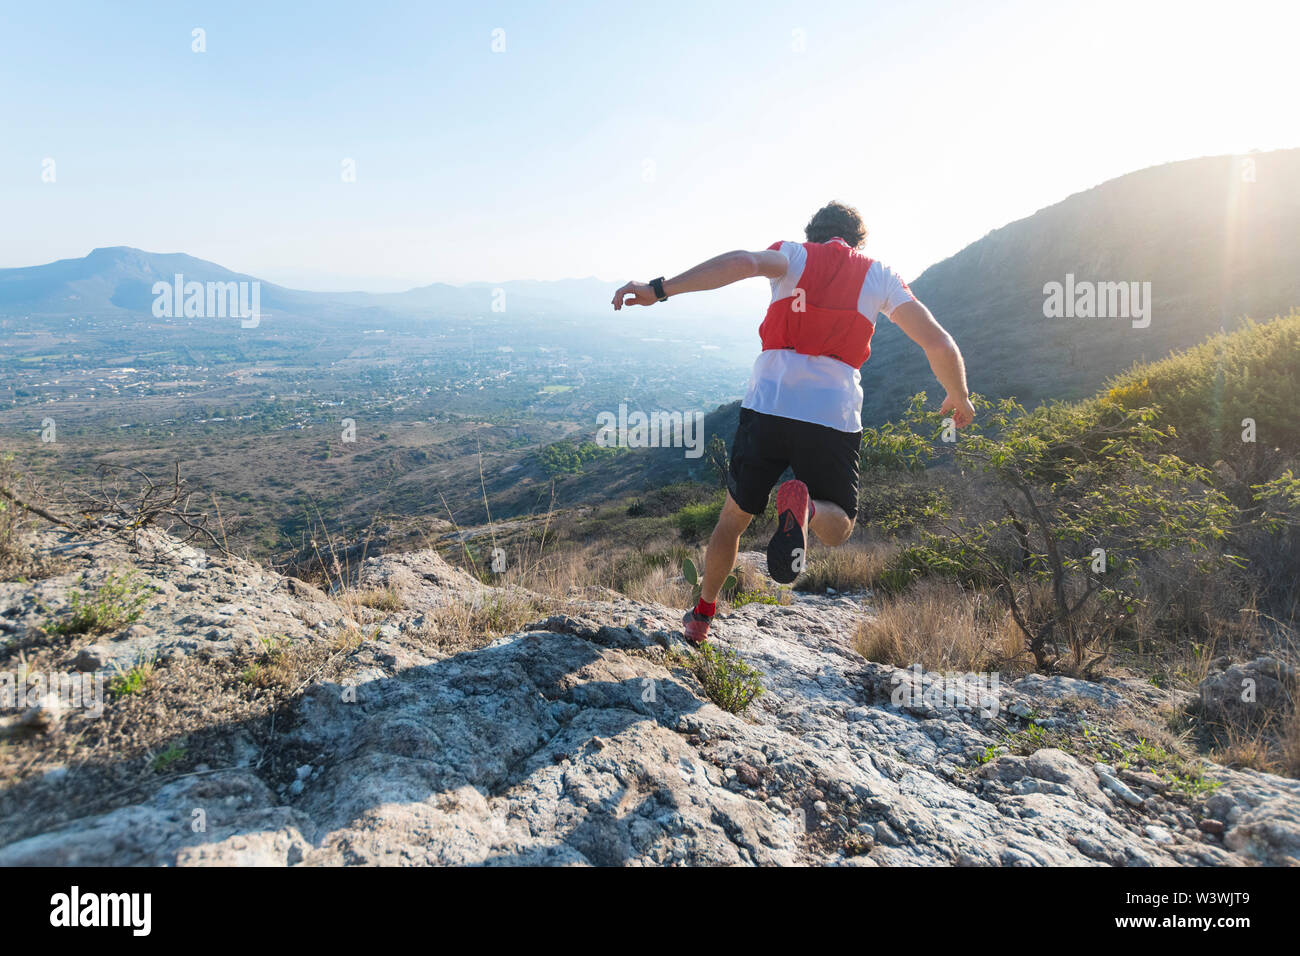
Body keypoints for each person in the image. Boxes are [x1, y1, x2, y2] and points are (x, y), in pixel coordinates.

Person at [612, 201, 974, 644]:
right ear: (857, 240)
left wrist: (659, 289)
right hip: (831, 413)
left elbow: (742, 262)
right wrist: (959, 394)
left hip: (768, 402)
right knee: (839, 524)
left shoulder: (793, 255)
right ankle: (807, 509)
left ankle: (702, 616)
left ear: (813, 234)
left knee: (733, 519)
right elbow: (938, 340)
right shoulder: (879, 274)